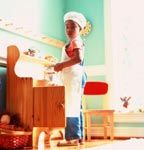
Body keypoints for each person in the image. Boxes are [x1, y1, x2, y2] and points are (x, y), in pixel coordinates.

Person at [54, 11, 87, 146]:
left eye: (72, 26)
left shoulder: (76, 41)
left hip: (75, 78)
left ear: (79, 28)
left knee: (71, 106)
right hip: (74, 77)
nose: (69, 29)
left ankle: (72, 138)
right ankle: (79, 137)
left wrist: (61, 65)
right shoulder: (72, 42)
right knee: (75, 106)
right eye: (67, 26)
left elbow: (78, 59)